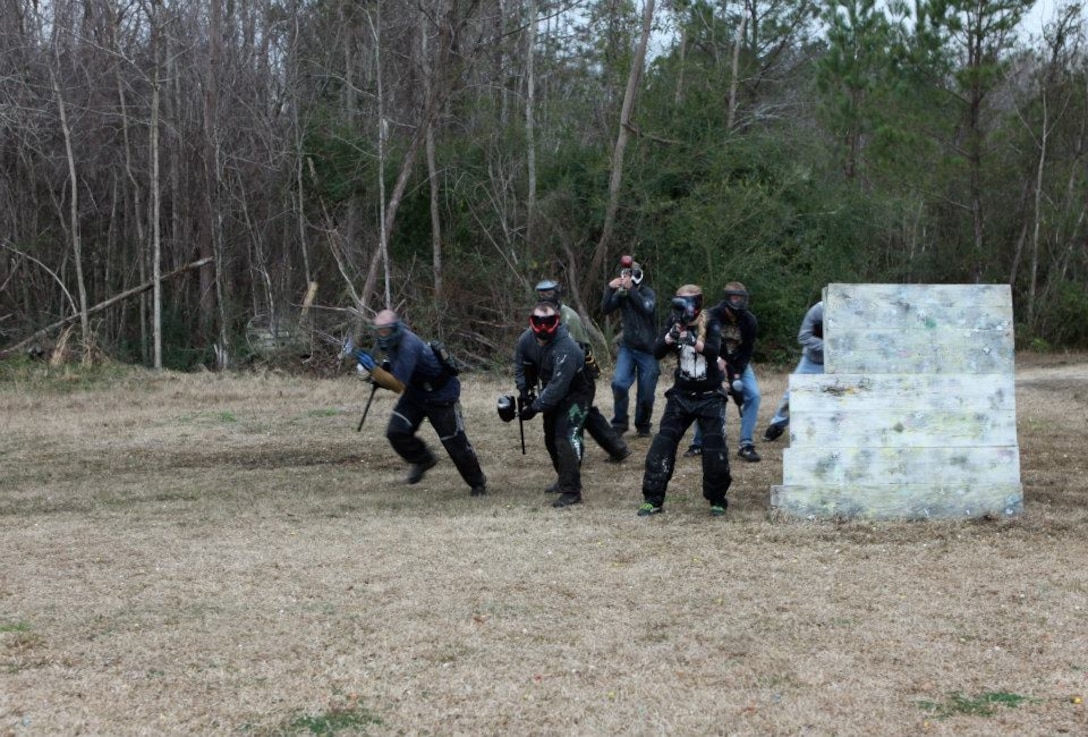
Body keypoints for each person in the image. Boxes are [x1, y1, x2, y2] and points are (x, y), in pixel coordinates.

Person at [364, 310, 487, 496]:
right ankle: (423, 459)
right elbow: (392, 369)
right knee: (396, 431)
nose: (381, 334)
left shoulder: (408, 345)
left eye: (385, 330)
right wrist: (377, 374)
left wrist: (374, 370)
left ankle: (477, 483)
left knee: (455, 443)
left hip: (440, 394)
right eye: (378, 331)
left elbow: (397, 385)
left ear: (395, 328)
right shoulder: (391, 342)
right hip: (416, 392)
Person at [637, 284, 732, 517]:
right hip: (681, 396)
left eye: (691, 302)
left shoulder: (711, 321)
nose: (686, 307)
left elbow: (713, 349)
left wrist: (691, 340)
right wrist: (671, 336)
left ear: (699, 302)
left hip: (710, 397)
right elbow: (656, 351)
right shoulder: (673, 321)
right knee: (662, 446)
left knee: (714, 451)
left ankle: (717, 499)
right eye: (682, 302)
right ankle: (653, 498)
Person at [535, 279, 630, 467]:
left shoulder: (568, 317)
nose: (545, 297)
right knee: (586, 413)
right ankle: (617, 448)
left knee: (574, 415)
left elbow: (579, 350)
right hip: (562, 375)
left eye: (549, 293)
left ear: (557, 293)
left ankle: (573, 461)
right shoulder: (542, 315)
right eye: (541, 294)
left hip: (580, 375)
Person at [514, 301, 594, 508]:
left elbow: (558, 386)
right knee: (550, 438)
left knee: (564, 437)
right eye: (538, 322)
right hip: (552, 392)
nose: (542, 328)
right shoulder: (526, 339)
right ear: (532, 322)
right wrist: (524, 391)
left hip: (577, 392)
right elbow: (520, 364)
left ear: (556, 322)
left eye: (548, 322)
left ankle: (571, 491)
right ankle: (564, 478)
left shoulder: (565, 347)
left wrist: (534, 407)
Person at [684, 282, 763, 462]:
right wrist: (721, 368)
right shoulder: (711, 316)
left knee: (754, 395)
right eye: (735, 297)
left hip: (739, 364)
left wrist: (736, 373)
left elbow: (748, 350)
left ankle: (746, 444)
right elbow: (705, 344)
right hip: (713, 362)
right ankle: (699, 443)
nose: (739, 301)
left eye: (741, 298)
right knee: (708, 397)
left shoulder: (749, 320)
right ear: (727, 298)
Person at [601, 257, 660, 438]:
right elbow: (605, 309)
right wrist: (610, 289)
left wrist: (631, 289)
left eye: (631, 275)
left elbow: (646, 309)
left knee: (646, 394)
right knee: (618, 384)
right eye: (625, 274)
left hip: (649, 350)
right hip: (628, 348)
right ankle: (619, 424)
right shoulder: (622, 293)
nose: (627, 278)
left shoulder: (648, 293)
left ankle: (643, 425)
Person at [762, 300, 825, 442]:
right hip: (812, 361)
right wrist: (830, 345)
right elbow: (803, 336)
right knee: (792, 394)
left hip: (838, 363)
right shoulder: (818, 310)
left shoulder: (853, 313)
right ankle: (777, 425)